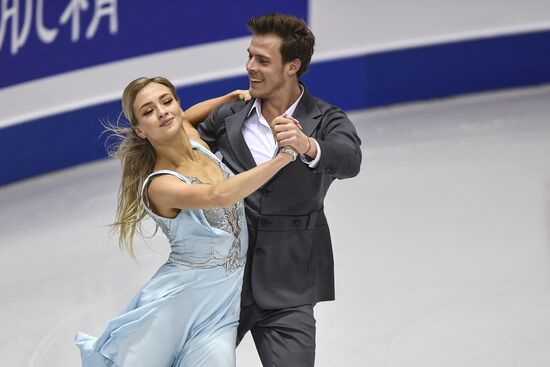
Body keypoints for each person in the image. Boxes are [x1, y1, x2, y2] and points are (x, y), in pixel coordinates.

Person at [75, 76, 298, 367]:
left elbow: (189, 115)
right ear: (140, 130)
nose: (163, 112)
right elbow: (220, 195)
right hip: (175, 308)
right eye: (149, 111)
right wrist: (284, 156)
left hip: (218, 313)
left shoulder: (193, 138)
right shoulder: (160, 184)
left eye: (167, 101)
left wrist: (227, 97)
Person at [197, 13, 362, 367]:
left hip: (290, 286)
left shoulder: (325, 119)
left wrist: (308, 146)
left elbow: (349, 160)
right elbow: (183, 141)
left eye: (263, 60)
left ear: (293, 66)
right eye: (250, 56)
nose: (250, 67)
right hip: (223, 282)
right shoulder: (229, 116)